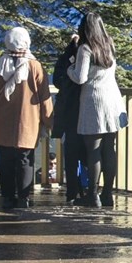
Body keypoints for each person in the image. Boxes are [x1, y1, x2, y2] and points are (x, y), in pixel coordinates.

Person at [0, 27, 54, 210]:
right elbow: (44, 97)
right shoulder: (35, 66)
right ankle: (23, 198)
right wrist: (49, 122)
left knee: (5, 160)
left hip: (2, 120)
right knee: (25, 160)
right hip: (28, 121)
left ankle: (7, 197)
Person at [67, 12, 125, 208]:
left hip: (94, 101)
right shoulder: (109, 44)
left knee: (93, 152)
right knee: (110, 149)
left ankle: (93, 195)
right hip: (113, 101)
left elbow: (80, 77)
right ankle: (107, 194)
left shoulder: (85, 48)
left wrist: (70, 68)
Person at [52, 34, 86, 204]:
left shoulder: (66, 58)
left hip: (68, 111)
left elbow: (57, 80)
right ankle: (85, 189)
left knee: (71, 155)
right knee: (88, 153)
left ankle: (72, 191)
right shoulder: (90, 55)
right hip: (85, 111)